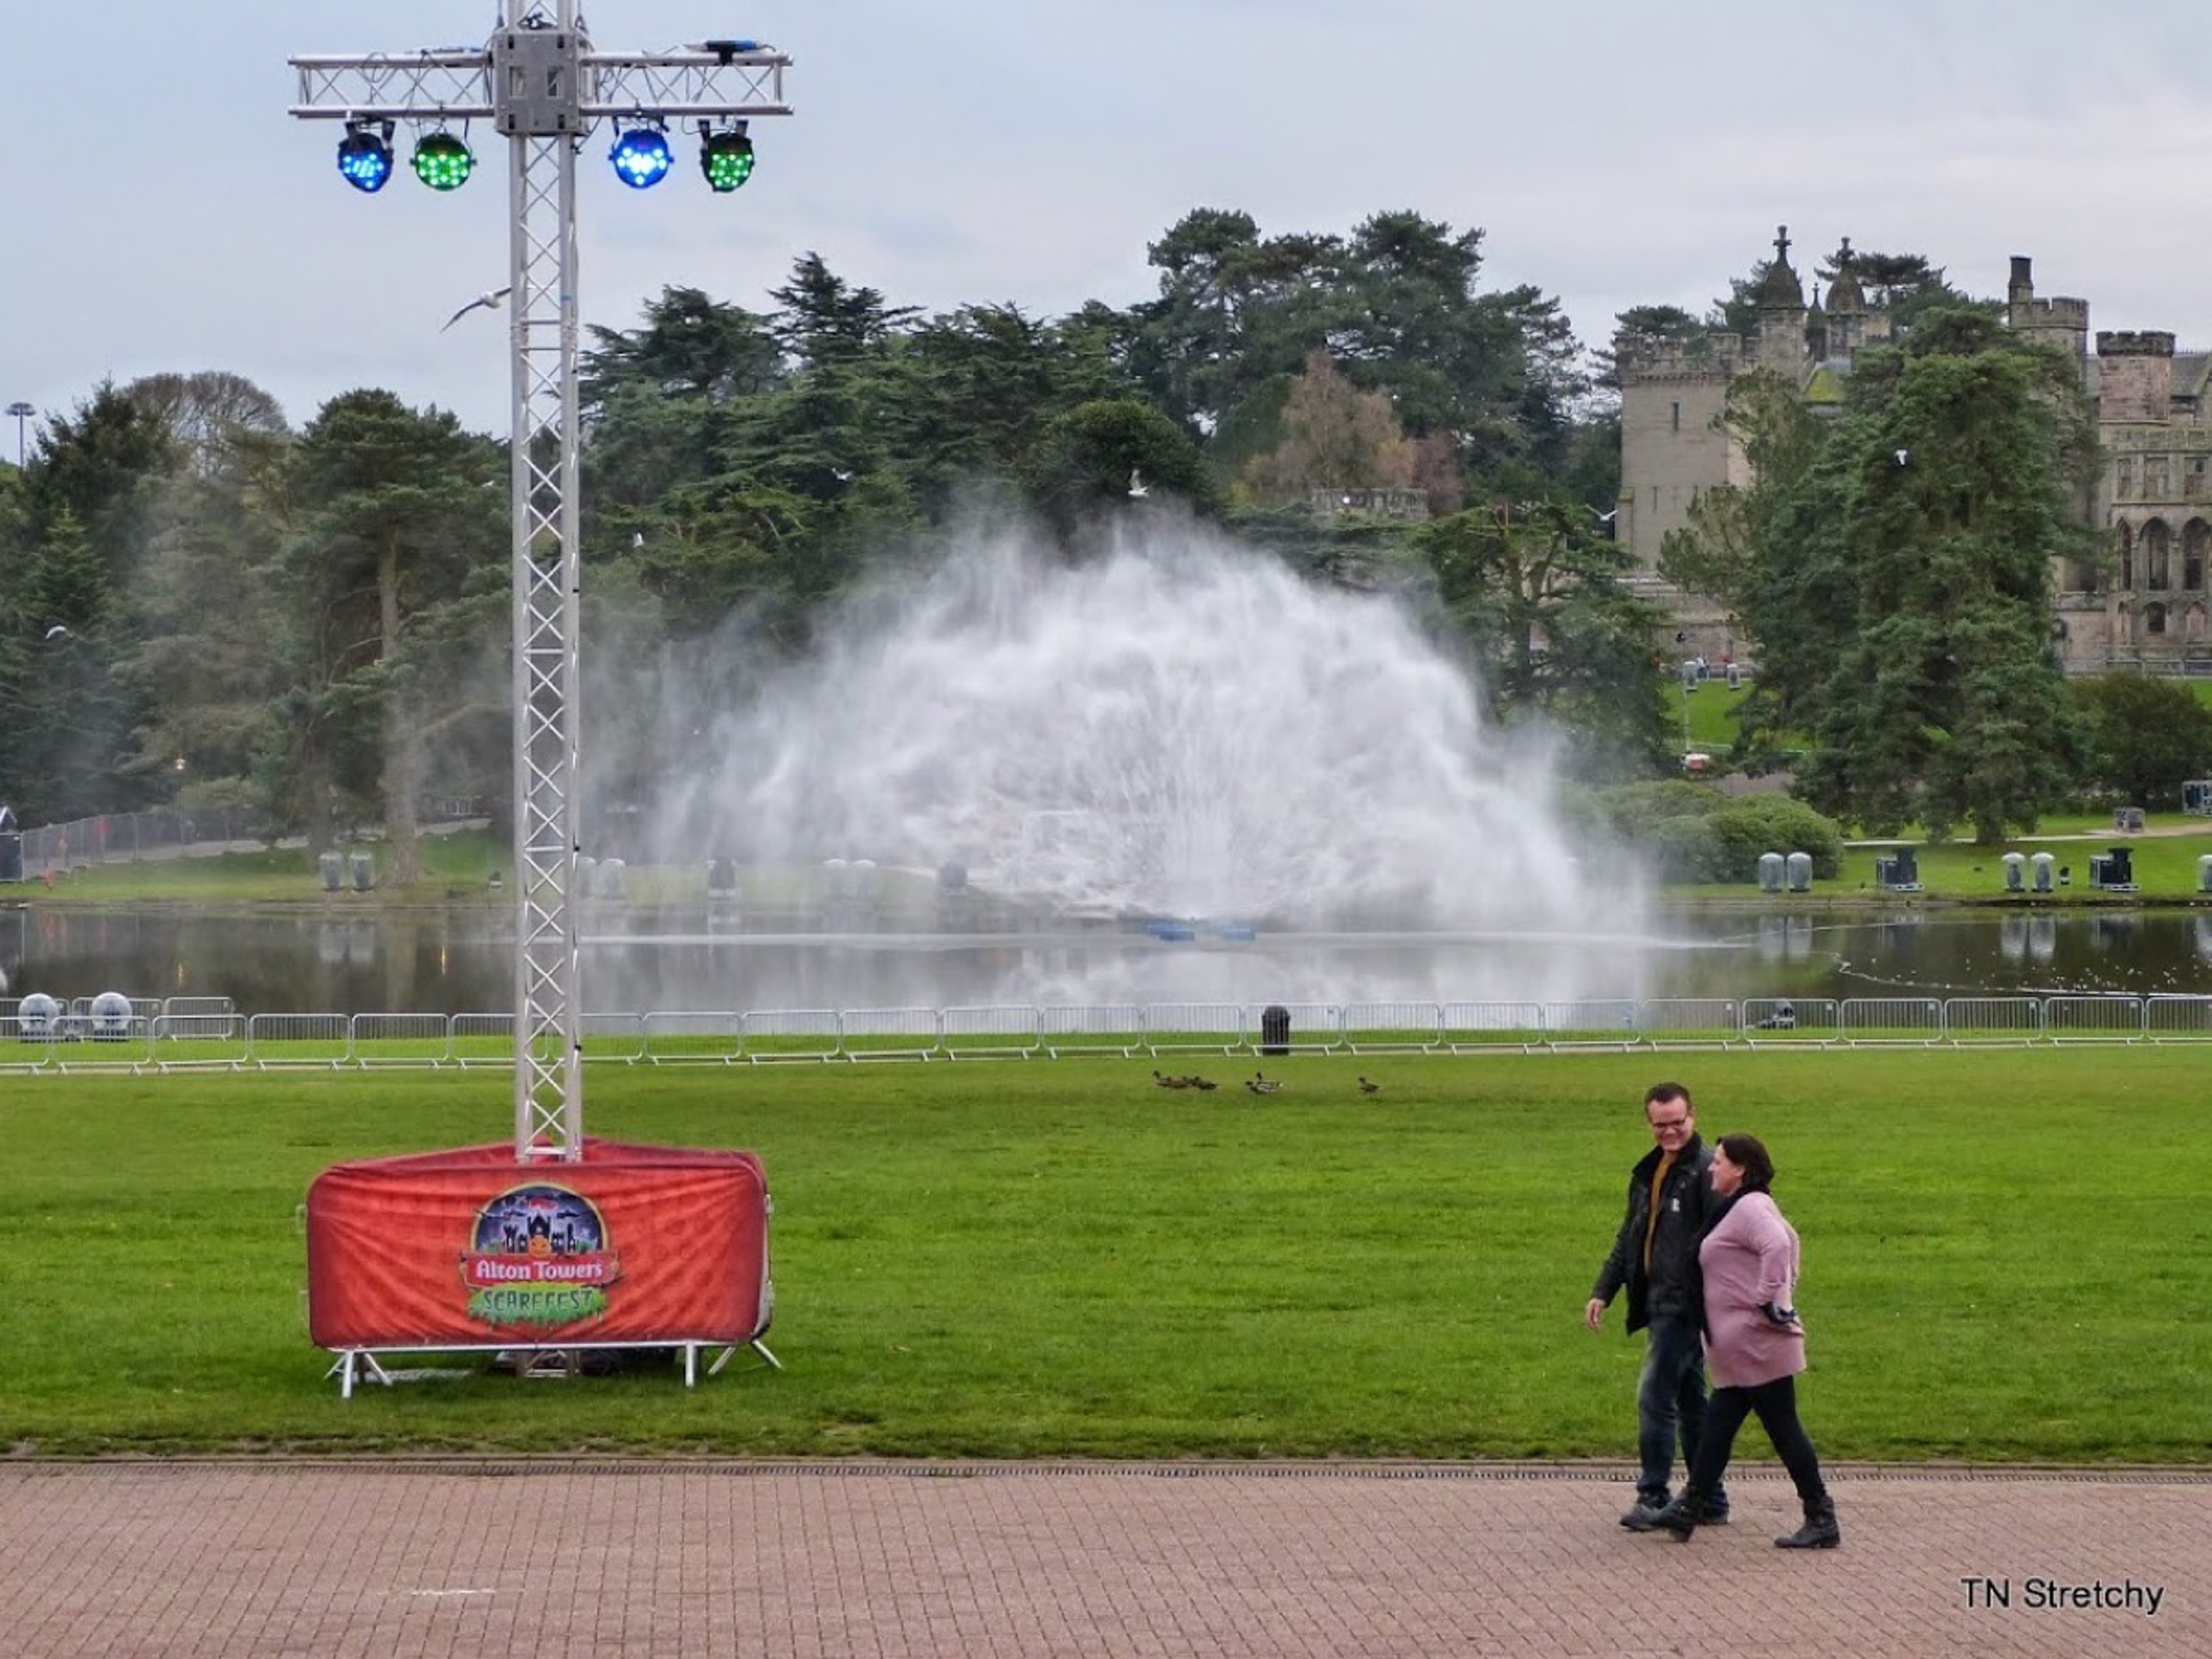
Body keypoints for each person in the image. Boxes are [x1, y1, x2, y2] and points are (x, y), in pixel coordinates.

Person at [1627, 1133, 1840, 1548]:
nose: (1712, 1167)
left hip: (1757, 1347)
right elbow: (1791, 1239)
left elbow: (1779, 1243)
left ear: (1740, 1169)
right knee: (1718, 1430)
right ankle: (1690, 1508)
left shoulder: (1750, 1207)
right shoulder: (1743, 1206)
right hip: (1741, 1349)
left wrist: (1770, 1300)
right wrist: (1778, 1295)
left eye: (1720, 1161)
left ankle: (1822, 1518)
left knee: (1783, 1430)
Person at [1586, 1082, 1726, 1528]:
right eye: (1660, 1125)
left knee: (1655, 1397)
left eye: (1677, 1123)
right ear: (1649, 1123)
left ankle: (1653, 1494)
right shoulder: (1649, 1172)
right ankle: (1710, 1498)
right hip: (1657, 1300)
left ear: (1694, 1117)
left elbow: (1723, 1243)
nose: (1669, 1132)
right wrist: (1604, 1290)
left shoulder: (1707, 1173)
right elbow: (1629, 1237)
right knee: (1691, 1402)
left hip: (1684, 1305)